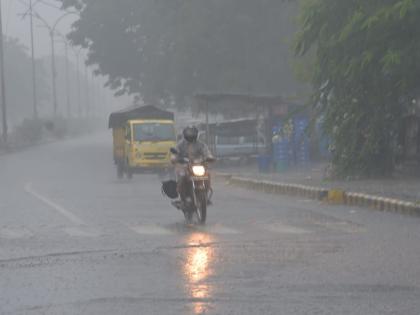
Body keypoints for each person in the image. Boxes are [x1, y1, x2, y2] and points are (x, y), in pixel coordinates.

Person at [171, 126, 214, 204]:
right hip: (184, 165)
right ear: (185, 134)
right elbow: (175, 152)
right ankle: (182, 197)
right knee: (181, 176)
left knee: (207, 175)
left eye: (192, 133)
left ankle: (205, 194)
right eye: (189, 133)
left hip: (198, 164)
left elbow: (206, 152)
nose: (190, 135)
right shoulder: (181, 144)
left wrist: (209, 157)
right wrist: (174, 158)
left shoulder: (201, 144)